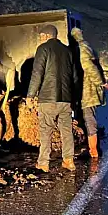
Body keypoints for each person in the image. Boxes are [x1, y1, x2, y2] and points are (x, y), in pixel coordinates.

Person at [27, 24, 78, 172]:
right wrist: (73, 98)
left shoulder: (43, 49)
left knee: (46, 131)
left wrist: (31, 95)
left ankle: (43, 163)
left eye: (42, 36)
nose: (41, 39)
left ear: (47, 36)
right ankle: (68, 160)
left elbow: (37, 74)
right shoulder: (68, 51)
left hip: (48, 98)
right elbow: (74, 78)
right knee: (66, 130)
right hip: (66, 99)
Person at [70, 27, 108, 159]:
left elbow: (88, 67)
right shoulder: (85, 47)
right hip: (86, 89)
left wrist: (100, 82)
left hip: (87, 90)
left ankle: (94, 152)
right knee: (88, 118)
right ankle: (91, 148)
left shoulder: (81, 48)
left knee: (89, 118)